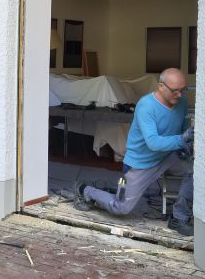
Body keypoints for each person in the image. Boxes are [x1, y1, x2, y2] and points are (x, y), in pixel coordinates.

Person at [75, 68, 195, 236]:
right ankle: (85, 190)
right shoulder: (146, 106)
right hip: (140, 163)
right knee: (121, 207)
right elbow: (153, 142)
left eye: (183, 90)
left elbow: (181, 128)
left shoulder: (180, 102)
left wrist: (184, 148)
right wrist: (181, 140)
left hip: (168, 156)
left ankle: (179, 217)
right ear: (161, 86)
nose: (180, 95)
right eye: (176, 91)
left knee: (196, 171)